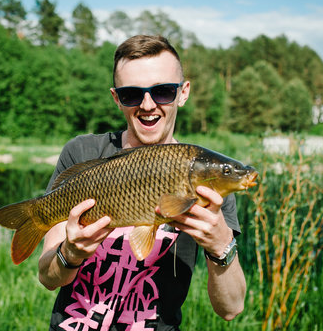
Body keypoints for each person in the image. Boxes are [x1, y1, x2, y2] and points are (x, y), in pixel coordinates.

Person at [38, 35, 246, 330]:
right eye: (132, 95)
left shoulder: (208, 185)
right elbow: (47, 278)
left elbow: (231, 309)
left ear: (183, 93)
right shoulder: (82, 153)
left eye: (162, 91)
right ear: (116, 98)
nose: (148, 105)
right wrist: (69, 253)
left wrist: (221, 246)